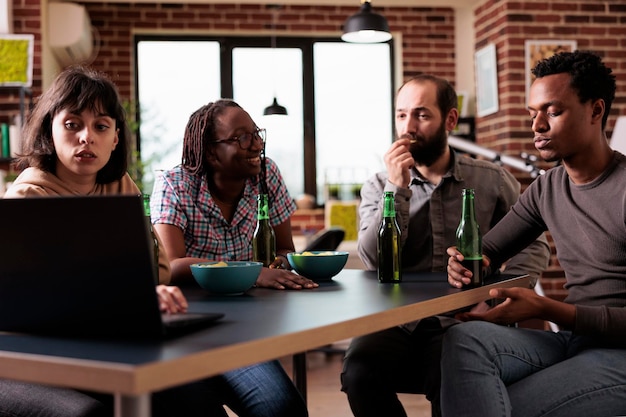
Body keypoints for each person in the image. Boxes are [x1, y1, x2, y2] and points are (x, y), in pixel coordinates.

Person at [2, 66, 308, 417]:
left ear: (115, 137)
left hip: (136, 334)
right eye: (72, 124)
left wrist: (139, 291)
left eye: (101, 126)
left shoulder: (119, 185)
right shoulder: (27, 197)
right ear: (50, 130)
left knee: (229, 406)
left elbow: (156, 271)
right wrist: (131, 292)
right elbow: (32, 301)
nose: (86, 137)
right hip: (60, 350)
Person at [340, 74, 551, 417]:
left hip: (465, 318)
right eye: (401, 115)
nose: (408, 127)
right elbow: (374, 260)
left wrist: (498, 297)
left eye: (421, 115)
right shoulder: (379, 185)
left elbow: (534, 246)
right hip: (397, 320)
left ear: (450, 120)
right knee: (359, 373)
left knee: (454, 379)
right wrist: (397, 188)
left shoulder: (492, 180)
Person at [443, 50, 626, 416]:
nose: (537, 125)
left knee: (508, 405)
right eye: (533, 113)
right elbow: (488, 249)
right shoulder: (548, 188)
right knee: (464, 341)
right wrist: (465, 263)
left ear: (595, 111)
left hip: (619, 353)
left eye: (553, 112)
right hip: (577, 342)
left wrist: (550, 309)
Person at [150, 98, 317, 291]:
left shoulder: (266, 174)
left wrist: (277, 265)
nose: (257, 145)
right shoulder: (175, 185)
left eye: (256, 134)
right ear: (211, 151)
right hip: (193, 304)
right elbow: (172, 264)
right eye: (243, 138)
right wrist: (253, 273)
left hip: (257, 303)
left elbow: (285, 249)